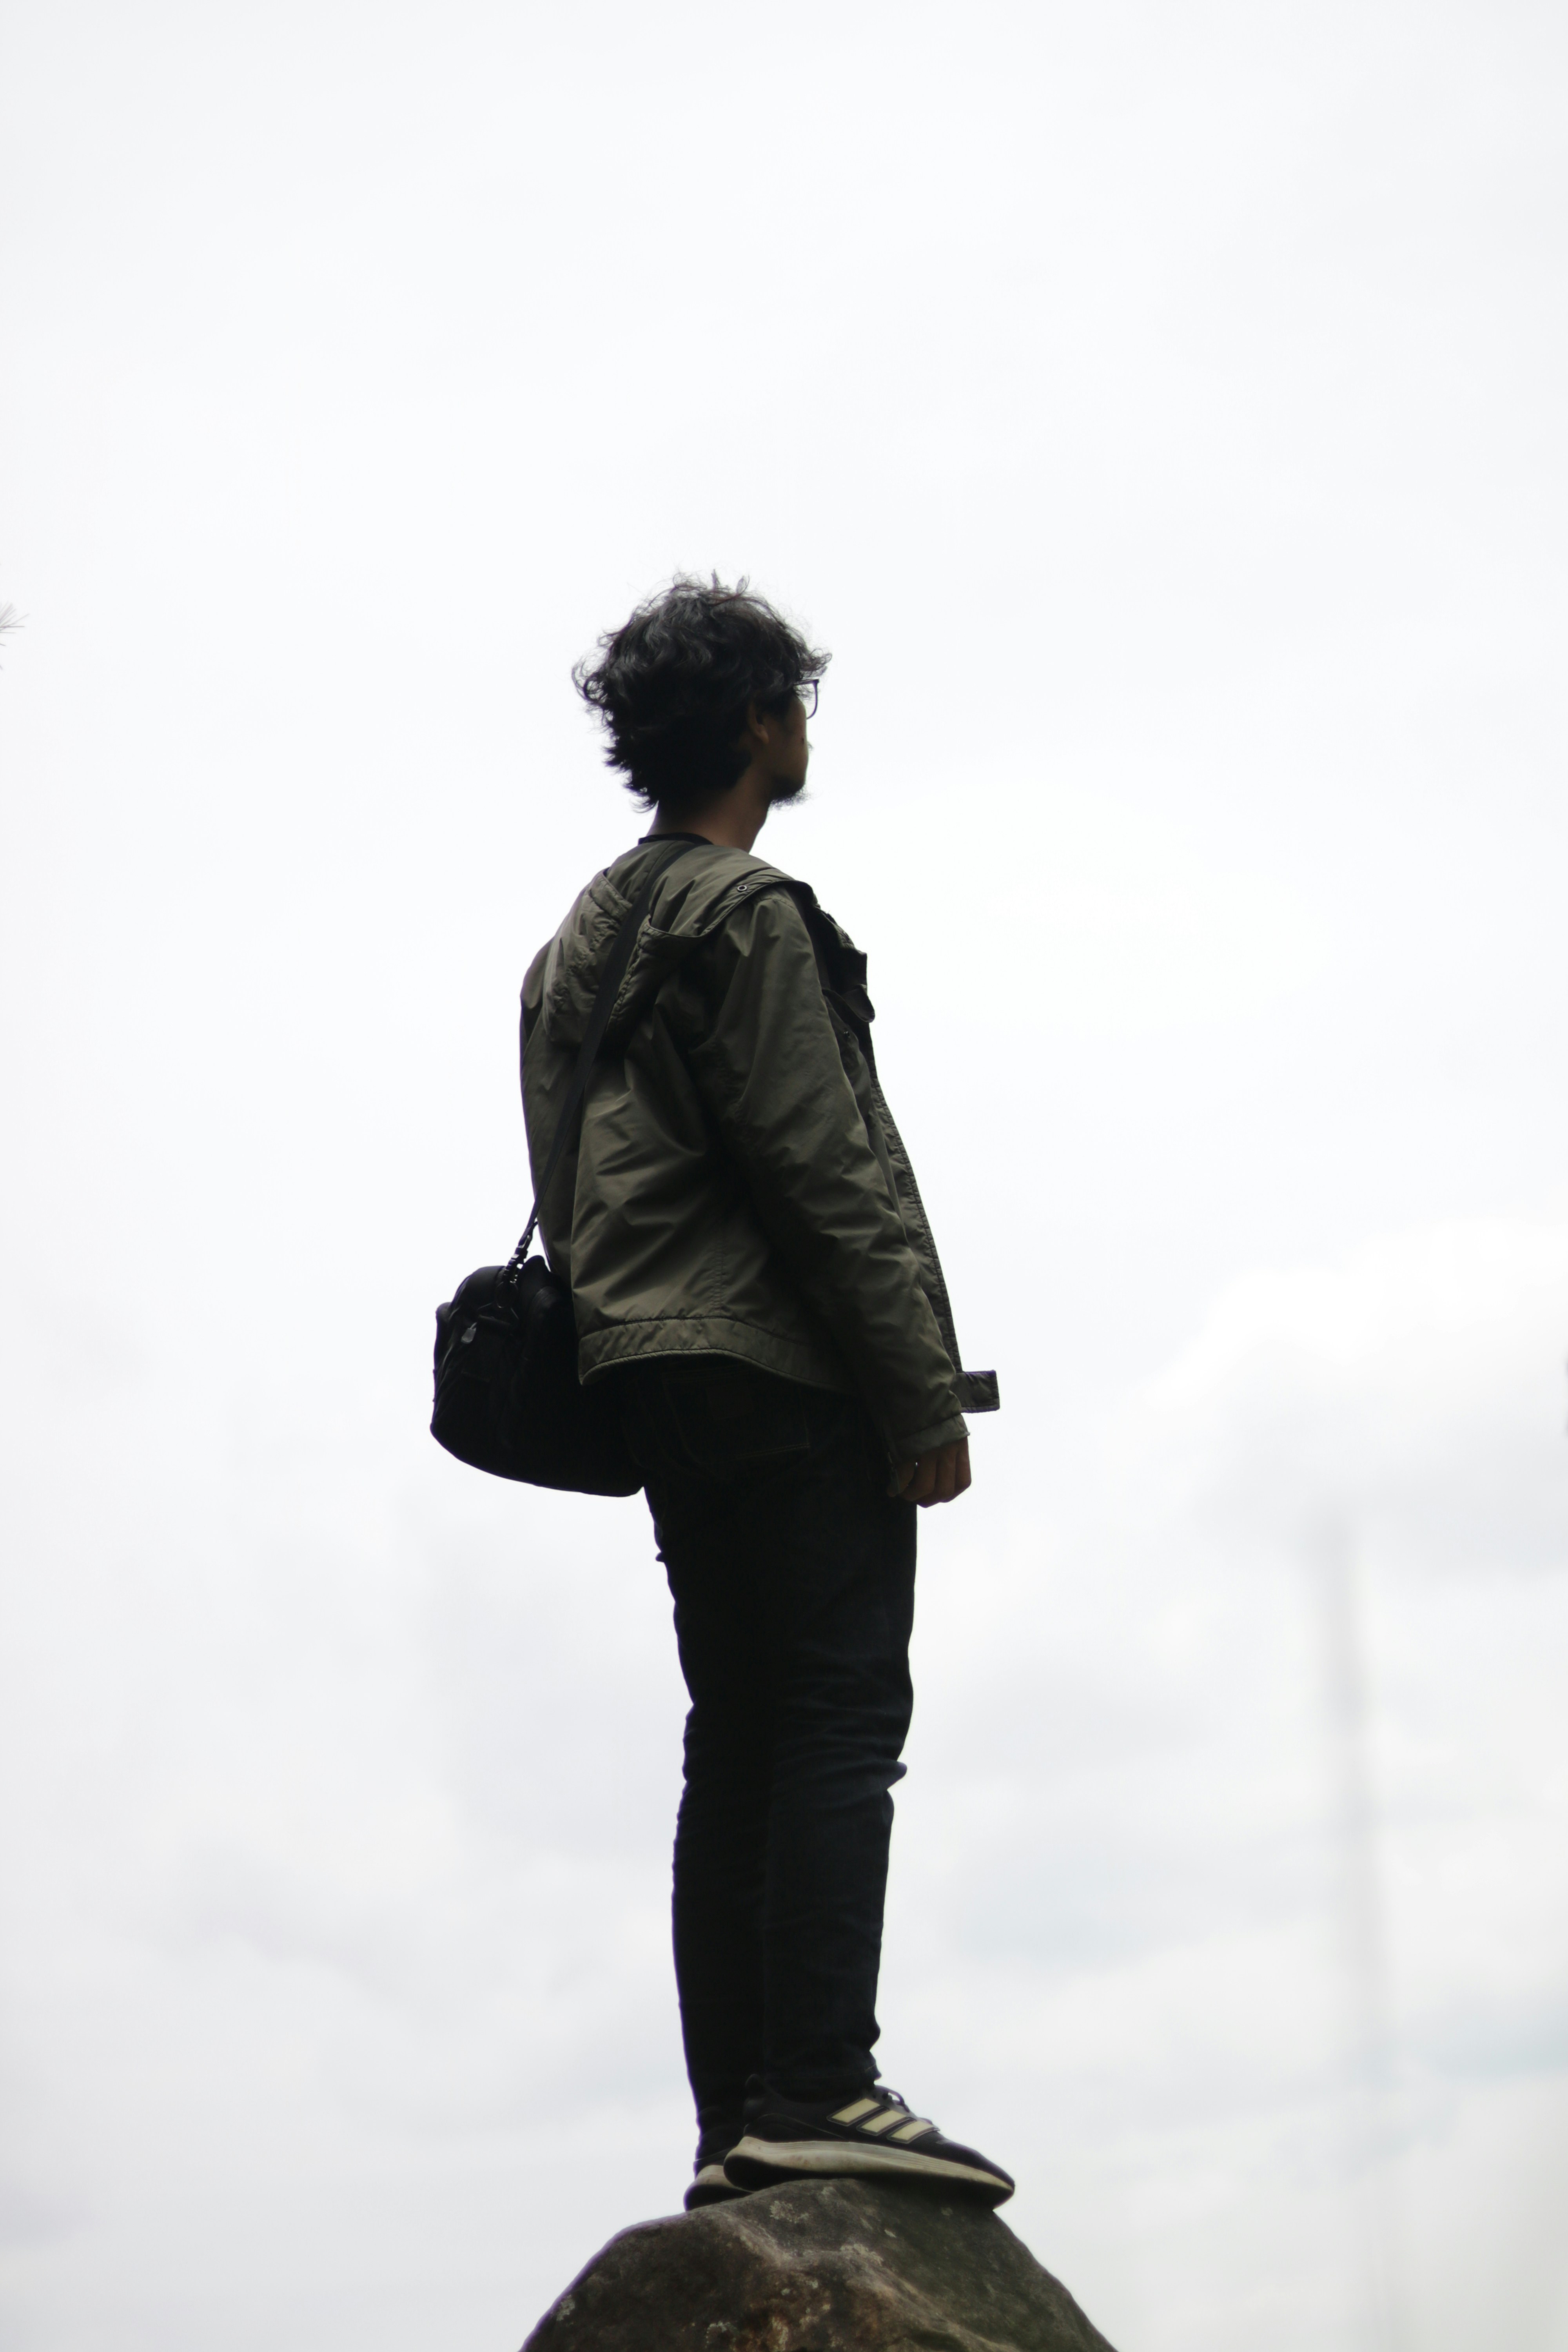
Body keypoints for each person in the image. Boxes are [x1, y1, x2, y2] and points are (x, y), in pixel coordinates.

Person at [520, 577, 1012, 2210]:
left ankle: (740, 2112)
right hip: (778, 1371)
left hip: (650, 1379)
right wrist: (915, 1392)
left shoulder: (570, 945)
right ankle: (819, 2082)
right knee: (837, 1716)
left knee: (731, 1737)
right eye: (795, 700)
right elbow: (825, 1171)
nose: (807, 727)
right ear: (756, 721)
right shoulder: (749, 915)